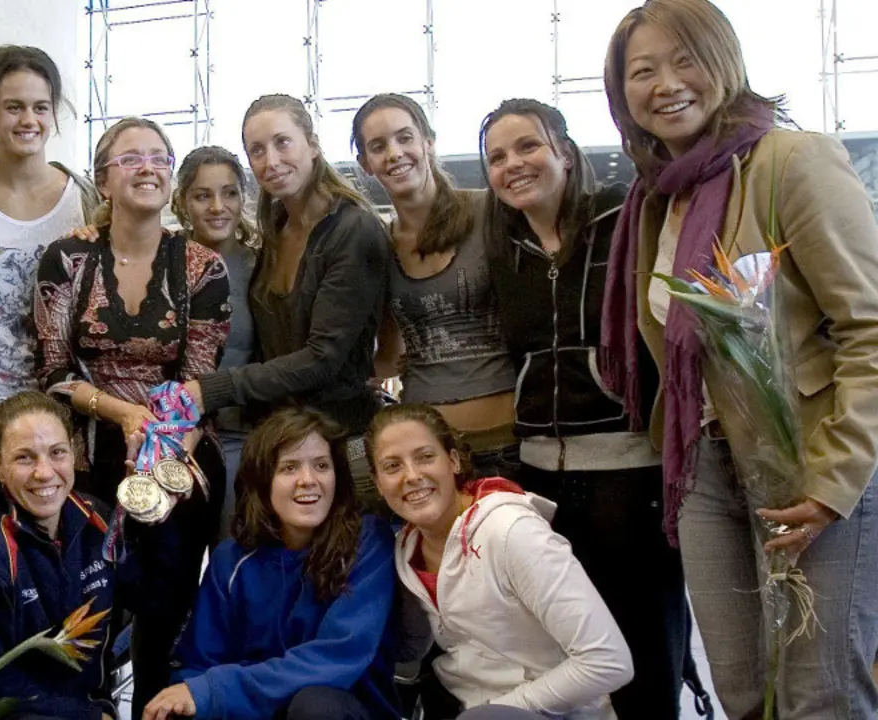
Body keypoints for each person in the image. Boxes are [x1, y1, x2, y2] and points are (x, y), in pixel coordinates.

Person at [601, 0, 878, 715]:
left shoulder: (793, 161)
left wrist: (834, 480)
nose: (666, 84)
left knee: (820, 696)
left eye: (685, 59)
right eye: (643, 71)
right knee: (745, 690)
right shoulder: (656, 198)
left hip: (810, 462)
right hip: (705, 470)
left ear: (724, 61)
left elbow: (870, 328)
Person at [478, 97, 697, 718]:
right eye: (497, 157)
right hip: (540, 474)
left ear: (566, 153)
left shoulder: (625, 218)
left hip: (628, 469)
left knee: (645, 640)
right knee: (568, 645)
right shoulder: (504, 246)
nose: (513, 164)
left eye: (528, 146)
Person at [33, 116, 230, 716]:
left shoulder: (202, 267)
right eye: (131, 158)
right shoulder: (67, 258)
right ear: (102, 180)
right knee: (89, 608)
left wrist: (159, 450)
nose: (148, 167)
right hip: (86, 456)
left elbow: (197, 380)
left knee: (165, 613)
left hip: (179, 452)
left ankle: (153, 706)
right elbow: (53, 372)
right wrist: (121, 414)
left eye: (159, 158)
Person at [182, 94, 390, 509]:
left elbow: (323, 358)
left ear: (312, 144)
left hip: (339, 443)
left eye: (282, 143)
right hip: (282, 440)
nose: (271, 161)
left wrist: (212, 389)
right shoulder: (277, 226)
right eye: (257, 151)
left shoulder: (353, 229)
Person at [367, 403, 633, 719]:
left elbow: (608, 661)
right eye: (392, 466)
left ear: (453, 461)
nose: (411, 476)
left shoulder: (513, 532)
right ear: (378, 483)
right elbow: (411, 651)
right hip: (466, 706)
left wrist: (495, 711)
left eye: (425, 457)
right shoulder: (405, 549)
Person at [145, 406, 400, 720]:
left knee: (314, 705)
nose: (308, 480)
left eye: (321, 465)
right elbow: (199, 665)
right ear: (262, 481)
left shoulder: (368, 541)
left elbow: (339, 654)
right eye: (289, 468)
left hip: (342, 709)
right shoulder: (231, 560)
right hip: (258, 711)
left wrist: (215, 690)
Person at [0, 45, 100, 510]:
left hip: (57, 411)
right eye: (14, 107)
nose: (29, 119)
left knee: (49, 547)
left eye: (40, 107)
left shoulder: (84, 199)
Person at [352, 93, 518, 480]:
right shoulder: (381, 246)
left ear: (428, 142)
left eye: (405, 137)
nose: (394, 153)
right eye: (378, 146)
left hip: (509, 441)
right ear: (365, 164)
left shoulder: (490, 211)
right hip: (428, 453)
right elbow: (389, 353)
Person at [0, 391, 121, 720]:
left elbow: (151, 599)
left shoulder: (97, 519)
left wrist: (156, 522)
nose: (44, 472)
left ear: (74, 452)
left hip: (90, 706)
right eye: (24, 458)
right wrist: (88, 717)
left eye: (57, 452)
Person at [170, 145, 259, 532]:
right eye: (203, 195)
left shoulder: (262, 266)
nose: (217, 207)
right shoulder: (162, 257)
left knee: (231, 548)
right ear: (182, 201)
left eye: (229, 193)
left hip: (239, 434)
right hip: (171, 434)